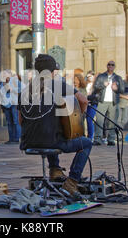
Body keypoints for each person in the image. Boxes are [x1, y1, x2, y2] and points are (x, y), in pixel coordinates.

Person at [19, 54, 92, 199]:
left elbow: (21, 120)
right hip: (51, 142)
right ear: (52, 72)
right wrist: (79, 117)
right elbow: (83, 101)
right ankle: (71, 182)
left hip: (28, 143)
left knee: (51, 129)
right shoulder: (58, 85)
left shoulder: (25, 90)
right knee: (87, 143)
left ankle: (55, 169)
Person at [92, 61, 124, 146]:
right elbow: (95, 87)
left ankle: (111, 139)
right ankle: (97, 139)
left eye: (112, 65)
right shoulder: (101, 76)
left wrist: (116, 88)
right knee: (99, 120)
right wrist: (103, 85)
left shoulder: (118, 78)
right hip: (102, 101)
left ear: (114, 67)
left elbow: (122, 90)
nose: (110, 66)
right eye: (109, 64)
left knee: (112, 121)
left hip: (113, 102)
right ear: (107, 66)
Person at [0, 72, 22, 144]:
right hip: (6, 104)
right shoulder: (2, 83)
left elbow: (21, 89)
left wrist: (11, 89)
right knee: (9, 122)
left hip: (14, 104)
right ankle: (11, 139)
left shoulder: (15, 81)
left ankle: (17, 139)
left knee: (15, 121)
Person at [85, 72, 98, 143]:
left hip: (92, 104)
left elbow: (95, 96)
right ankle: (86, 136)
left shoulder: (96, 86)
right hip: (85, 104)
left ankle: (90, 137)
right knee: (85, 120)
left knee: (90, 120)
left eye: (90, 76)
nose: (89, 78)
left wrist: (86, 97)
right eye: (88, 76)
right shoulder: (85, 85)